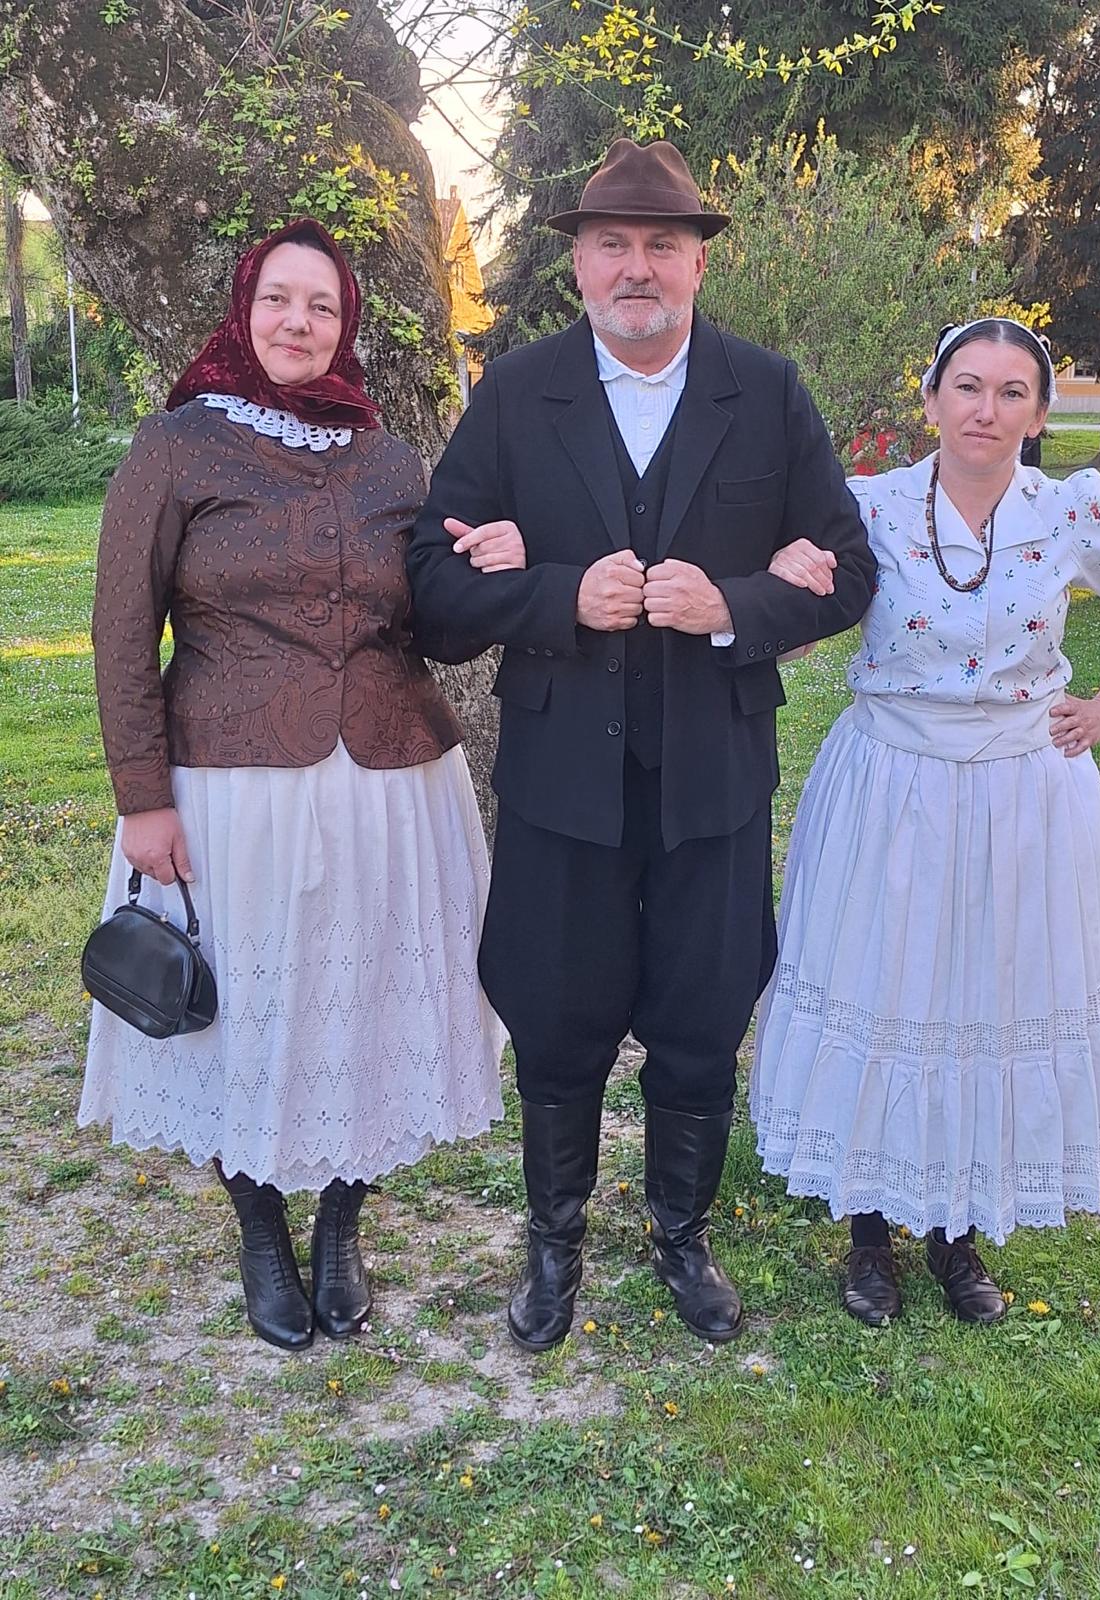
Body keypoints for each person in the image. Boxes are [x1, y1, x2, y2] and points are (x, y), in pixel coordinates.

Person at [406, 139, 877, 1353]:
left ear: (699, 261)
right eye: (611, 243)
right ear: (576, 262)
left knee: (703, 1017)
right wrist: (558, 592)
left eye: (663, 245)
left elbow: (850, 571)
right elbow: (432, 589)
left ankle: (681, 1236)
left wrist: (735, 605)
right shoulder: (516, 394)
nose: (637, 268)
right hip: (562, 780)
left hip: (712, 777)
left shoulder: (765, 391)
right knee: (556, 1021)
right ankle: (553, 1244)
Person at [81, 218, 506, 1351]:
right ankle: (261, 1229)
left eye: (321, 306)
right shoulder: (176, 446)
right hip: (230, 788)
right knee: (248, 1011)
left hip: (391, 783)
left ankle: (342, 1224)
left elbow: (435, 628)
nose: (298, 323)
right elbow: (122, 630)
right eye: (279, 299)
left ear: (345, 323)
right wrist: (142, 797)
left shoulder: (390, 460)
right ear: (245, 307)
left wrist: (490, 574)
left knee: (370, 1000)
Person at [752, 317, 1100, 1326]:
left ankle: (958, 1231)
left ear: (1038, 414)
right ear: (932, 399)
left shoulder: (1071, 509)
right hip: (889, 783)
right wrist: (780, 586)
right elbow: (798, 621)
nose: (985, 409)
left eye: (1010, 392)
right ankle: (869, 1232)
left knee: (987, 993)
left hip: (1021, 791)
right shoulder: (867, 507)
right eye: (967, 386)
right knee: (883, 980)